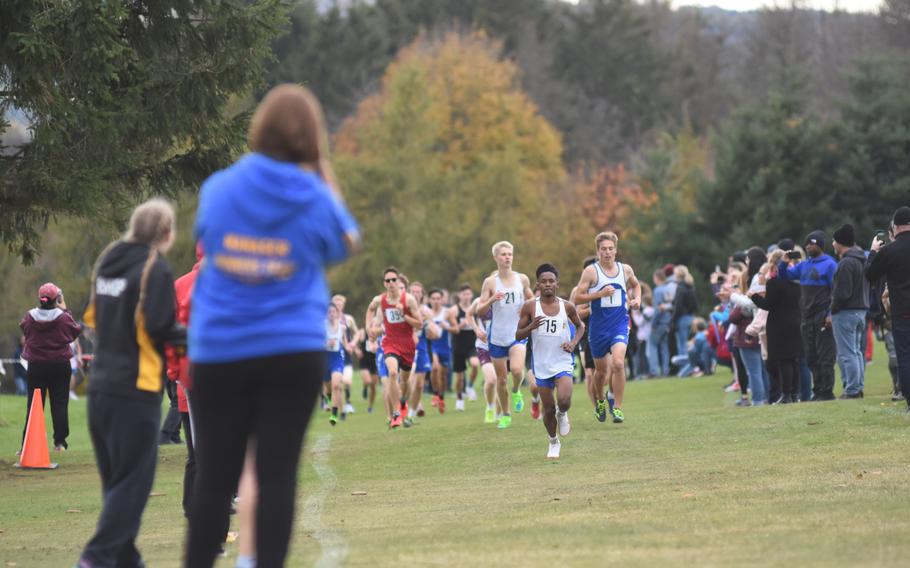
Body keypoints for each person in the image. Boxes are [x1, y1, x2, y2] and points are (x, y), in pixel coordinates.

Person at [185, 85, 359, 568]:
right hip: (291, 348)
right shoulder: (311, 194)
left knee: (214, 477)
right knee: (277, 472)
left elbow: (207, 237)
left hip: (220, 347)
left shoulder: (219, 187)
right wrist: (321, 167)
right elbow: (346, 242)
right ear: (310, 139)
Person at [77, 198, 181, 568]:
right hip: (135, 391)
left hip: (100, 387)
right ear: (165, 234)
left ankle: (127, 560)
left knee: (117, 485)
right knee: (132, 485)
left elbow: (93, 317)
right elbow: (159, 326)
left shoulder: (108, 260)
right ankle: (95, 558)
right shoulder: (156, 269)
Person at [516, 264, 585, 459]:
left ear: (556, 283)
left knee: (563, 400)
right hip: (541, 364)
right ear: (538, 284)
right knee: (547, 408)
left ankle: (562, 413)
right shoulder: (530, 306)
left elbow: (581, 327)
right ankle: (553, 441)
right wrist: (531, 326)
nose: (547, 284)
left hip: (562, 360)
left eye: (551, 281)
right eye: (544, 281)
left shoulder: (567, 306)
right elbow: (517, 334)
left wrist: (573, 343)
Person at [572, 232, 641, 424]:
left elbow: (636, 286)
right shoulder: (591, 272)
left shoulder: (625, 269)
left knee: (618, 363)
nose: (608, 252)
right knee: (600, 372)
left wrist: (637, 300)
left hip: (619, 325)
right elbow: (577, 298)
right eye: (604, 249)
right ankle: (600, 401)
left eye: (611, 249)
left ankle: (617, 407)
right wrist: (600, 294)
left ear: (616, 250)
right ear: (598, 251)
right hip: (598, 329)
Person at [475, 241, 535, 429]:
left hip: (517, 333)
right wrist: (492, 299)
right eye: (503, 254)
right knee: (501, 379)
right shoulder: (490, 282)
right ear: (496, 258)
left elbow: (532, 298)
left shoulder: (522, 279)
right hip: (497, 336)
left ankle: (516, 390)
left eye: (510, 254)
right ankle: (506, 414)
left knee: (517, 370)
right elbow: (479, 310)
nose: (507, 257)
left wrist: (526, 309)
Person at [20, 282, 82, 452]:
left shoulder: (29, 316)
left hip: (36, 366)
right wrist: (65, 309)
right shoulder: (62, 317)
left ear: (40, 299)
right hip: (59, 366)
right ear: (57, 299)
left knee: (33, 405)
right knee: (59, 403)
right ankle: (60, 443)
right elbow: (75, 331)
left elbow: (24, 329)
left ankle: (27, 444)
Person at [778, 230, 838, 401]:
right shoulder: (804, 265)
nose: (808, 246)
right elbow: (785, 276)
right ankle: (818, 390)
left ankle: (827, 391)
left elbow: (836, 291)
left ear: (819, 245)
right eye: (807, 244)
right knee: (811, 356)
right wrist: (784, 262)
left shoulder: (830, 264)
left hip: (821, 314)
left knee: (825, 355)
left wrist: (830, 314)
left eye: (811, 243)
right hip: (806, 316)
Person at [365, 267, 423, 428]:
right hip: (390, 343)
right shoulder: (380, 300)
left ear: (398, 282)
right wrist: (368, 328)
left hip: (407, 345)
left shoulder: (409, 300)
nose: (391, 283)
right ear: (384, 284)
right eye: (388, 280)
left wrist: (404, 314)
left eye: (393, 280)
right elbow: (370, 309)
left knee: (405, 381)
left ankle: (403, 402)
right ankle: (396, 414)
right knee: (392, 373)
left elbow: (419, 323)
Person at [865, 206, 910, 411]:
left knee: (905, 356)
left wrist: (874, 252)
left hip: (902, 311)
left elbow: (870, 274)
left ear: (895, 227)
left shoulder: (890, 251)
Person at [751, 250, 802, 403]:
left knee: (783, 360)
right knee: (793, 360)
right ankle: (795, 394)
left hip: (779, 323)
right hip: (795, 321)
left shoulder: (774, 282)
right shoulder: (797, 281)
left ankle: (786, 394)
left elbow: (767, 305)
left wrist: (753, 296)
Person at [830, 224, 870, 399]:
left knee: (847, 353)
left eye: (834, 240)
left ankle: (852, 390)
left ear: (840, 242)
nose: (832, 244)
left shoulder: (846, 263)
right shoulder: (861, 259)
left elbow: (843, 293)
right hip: (861, 311)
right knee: (856, 352)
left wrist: (833, 308)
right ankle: (857, 387)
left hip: (846, 312)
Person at [466, 297, 499, 423]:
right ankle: (490, 407)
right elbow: (469, 314)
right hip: (483, 347)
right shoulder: (479, 301)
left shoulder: (504, 302)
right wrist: (476, 330)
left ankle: (499, 411)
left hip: (500, 346)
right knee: (491, 379)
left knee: (501, 381)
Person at [428, 288, 457, 412]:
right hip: (432, 347)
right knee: (435, 369)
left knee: (443, 377)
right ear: (429, 300)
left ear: (442, 300)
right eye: (433, 299)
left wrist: (447, 327)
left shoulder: (447, 313)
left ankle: (441, 397)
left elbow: (456, 329)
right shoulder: (426, 313)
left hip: (445, 348)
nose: (436, 301)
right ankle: (435, 394)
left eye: (438, 299)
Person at [451, 284, 480, 407]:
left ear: (471, 295)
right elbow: (455, 329)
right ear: (459, 296)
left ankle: (469, 386)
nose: (466, 297)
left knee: (474, 364)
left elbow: (479, 324)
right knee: (459, 376)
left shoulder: (476, 308)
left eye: (468, 294)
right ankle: (459, 399)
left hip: (472, 343)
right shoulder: (454, 310)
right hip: (458, 344)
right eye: (464, 294)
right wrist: (463, 323)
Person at [325, 303, 348, 425]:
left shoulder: (342, 327)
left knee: (336, 385)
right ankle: (330, 399)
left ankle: (334, 414)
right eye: (329, 312)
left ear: (337, 313)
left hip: (337, 358)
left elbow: (345, 342)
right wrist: (327, 344)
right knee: (330, 387)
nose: (331, 314)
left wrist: (350, 346)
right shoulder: (321, 326)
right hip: (325, 359)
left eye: (333, 312)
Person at [647, 269, 672, 377]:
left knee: (652, 346)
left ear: (657, 278)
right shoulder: (668, 289)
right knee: (664, 348)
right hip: (668, 322)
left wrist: (653, 323)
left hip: (659, 323)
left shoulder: (657, 291)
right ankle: (666, 370)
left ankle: (654, 371)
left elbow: (658, 310)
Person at [671, 265, 698, 364]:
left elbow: (678, 306)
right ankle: (692, 364)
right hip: (690, 317)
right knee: (689, 343)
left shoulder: (680, 288)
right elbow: (695, 305)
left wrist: (673, 320)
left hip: (681, 318)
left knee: (682, 344)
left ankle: (685, 366)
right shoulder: (690, 286)